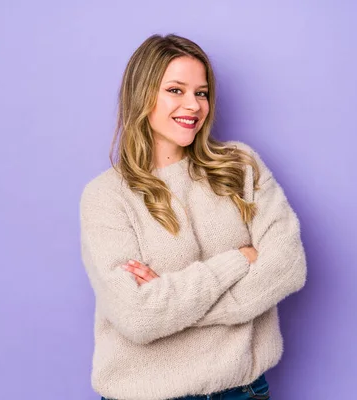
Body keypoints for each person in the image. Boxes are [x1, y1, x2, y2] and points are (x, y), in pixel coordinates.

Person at [79, 33, 307, 400]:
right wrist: (239, 260)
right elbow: (138, 318)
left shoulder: (240, 166)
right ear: (143, 94)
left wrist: (171, 305)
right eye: (175, 90)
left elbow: (288, 266)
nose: (194, 105)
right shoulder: (106, 196)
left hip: (242, 391)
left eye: (201, 93)